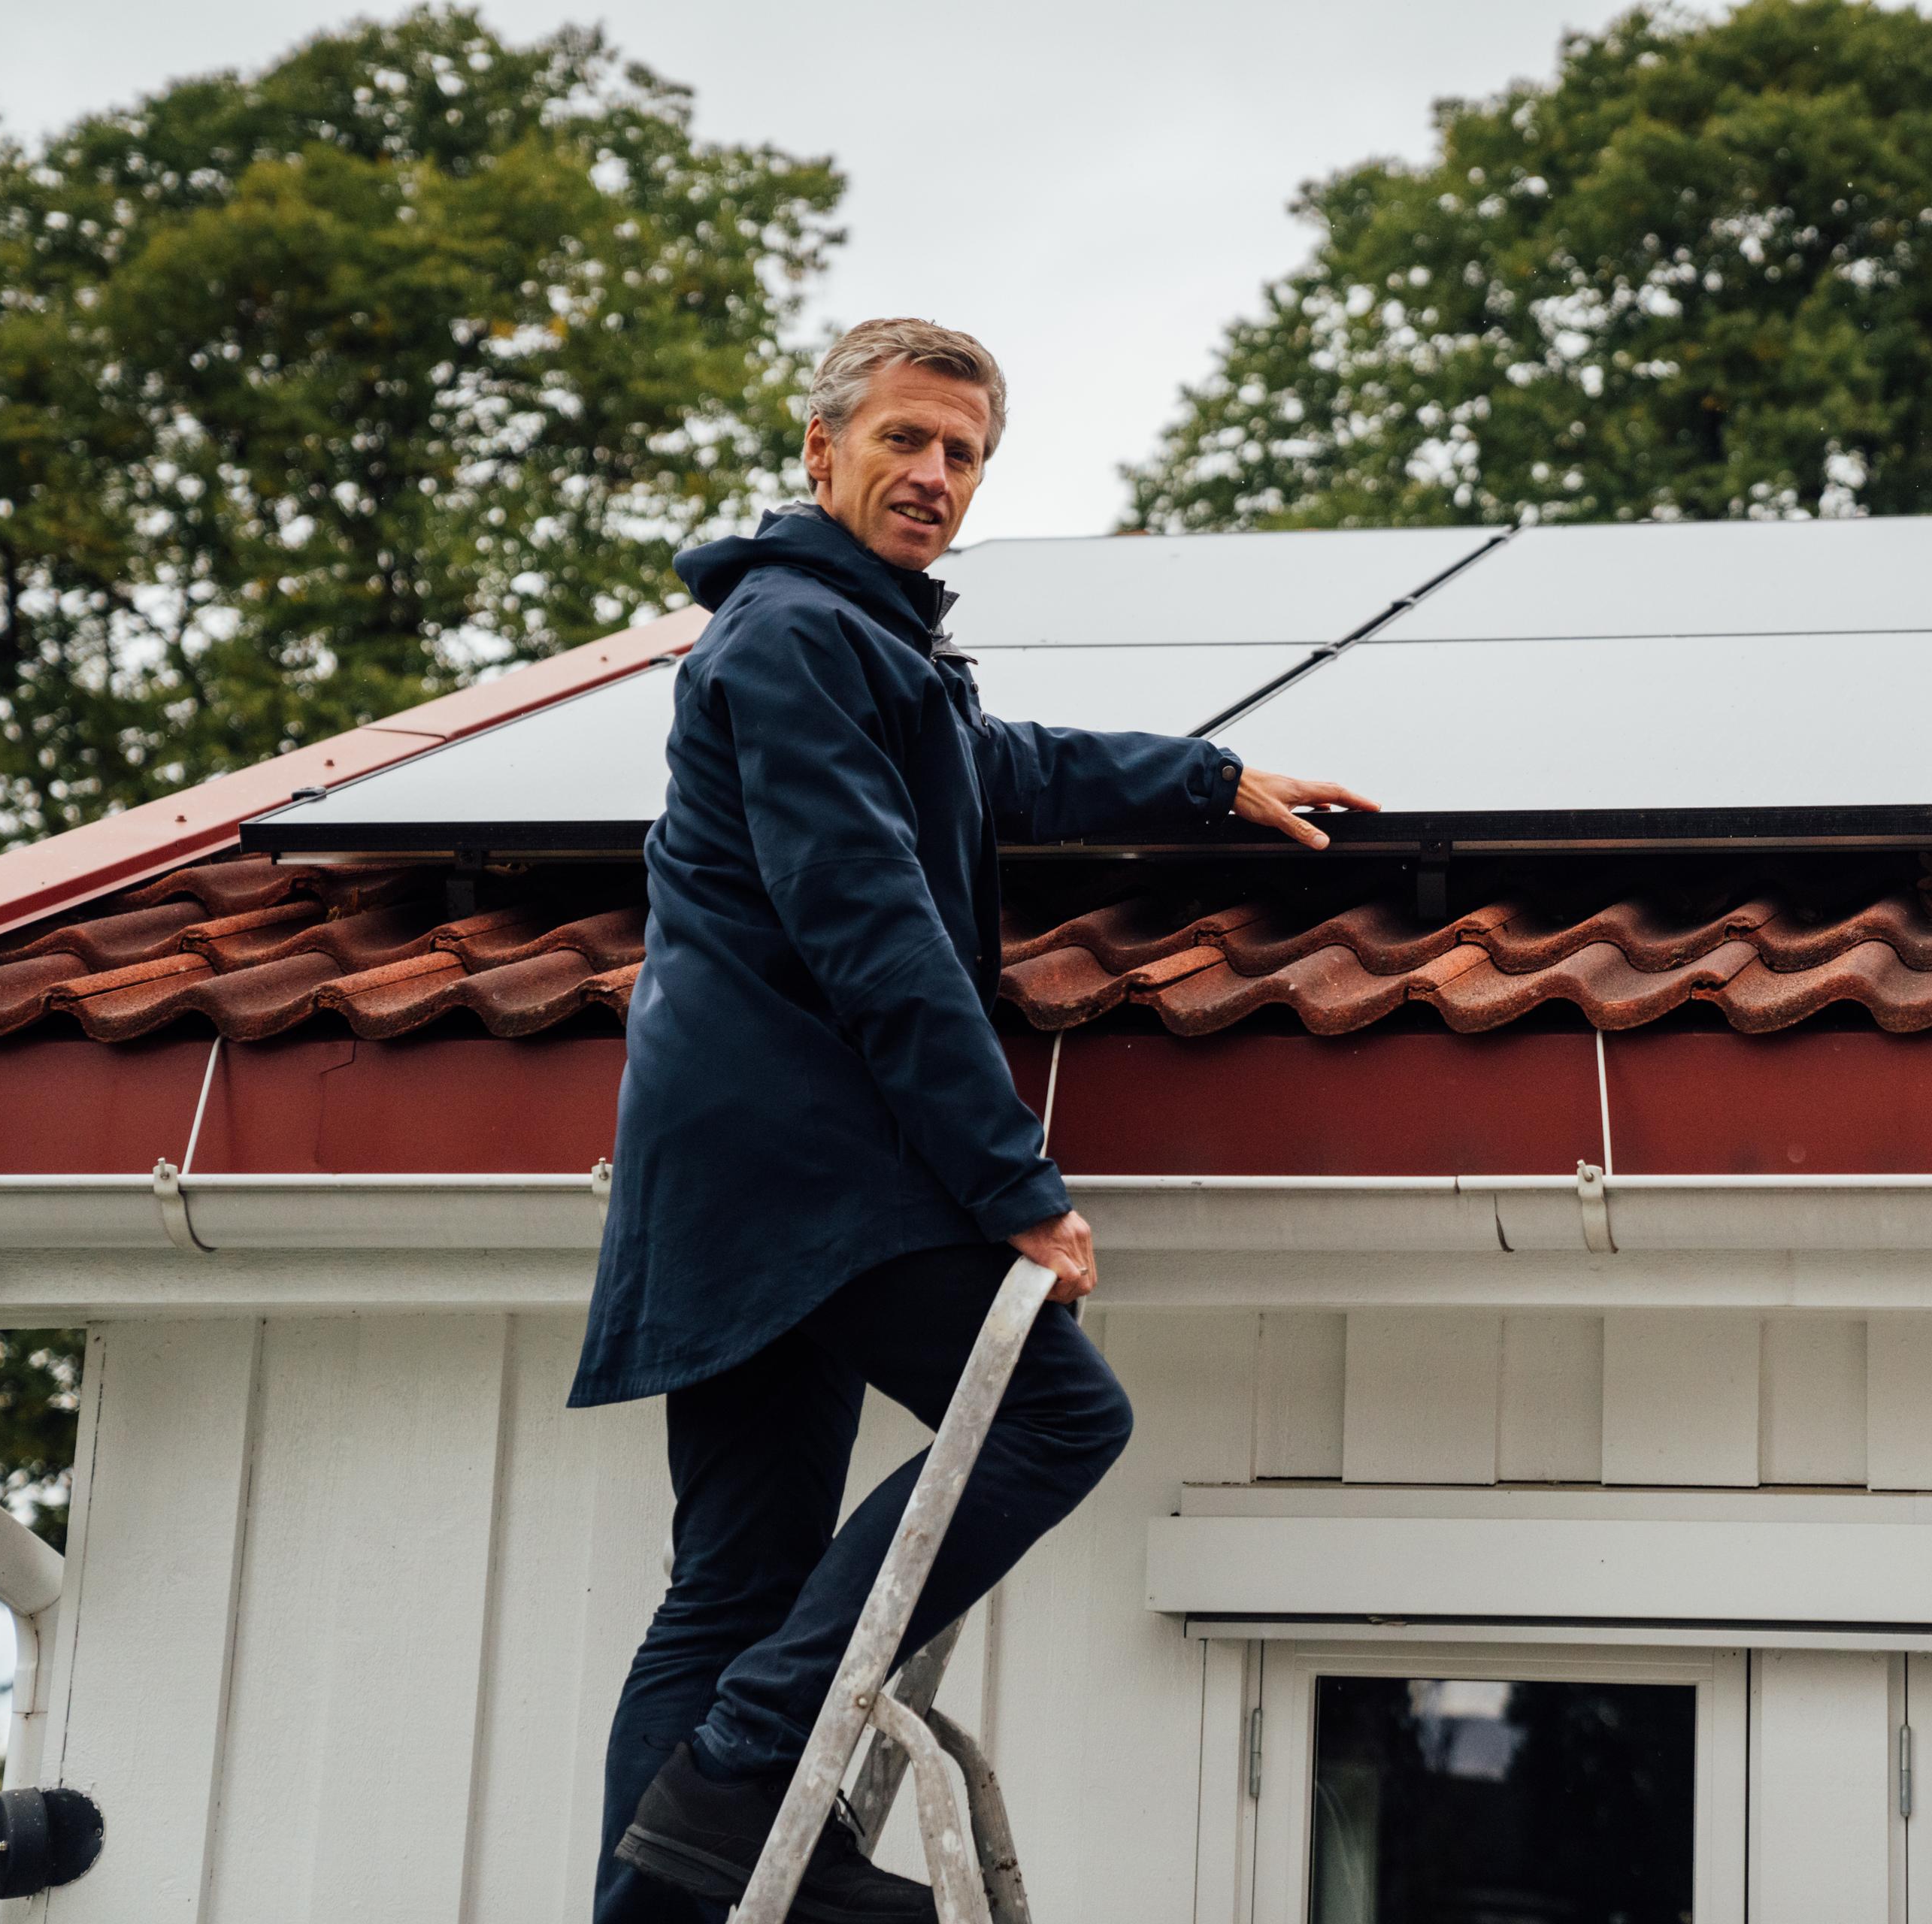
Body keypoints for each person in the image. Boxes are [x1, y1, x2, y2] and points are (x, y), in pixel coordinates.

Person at [574, 316, 1376, 1922]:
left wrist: (1204, 781)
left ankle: (671, 1888)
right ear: (822, 452)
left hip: (725, 1176)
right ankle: (749, 1766)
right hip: (806, 1160)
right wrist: (1015, 1183)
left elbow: (988, 768)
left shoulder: (851, 641)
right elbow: (868, 920)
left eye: (963, 456)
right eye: (904, 441)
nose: (934, 476)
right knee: (1061, 1416)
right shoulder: (797, 634)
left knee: (732, 1577)